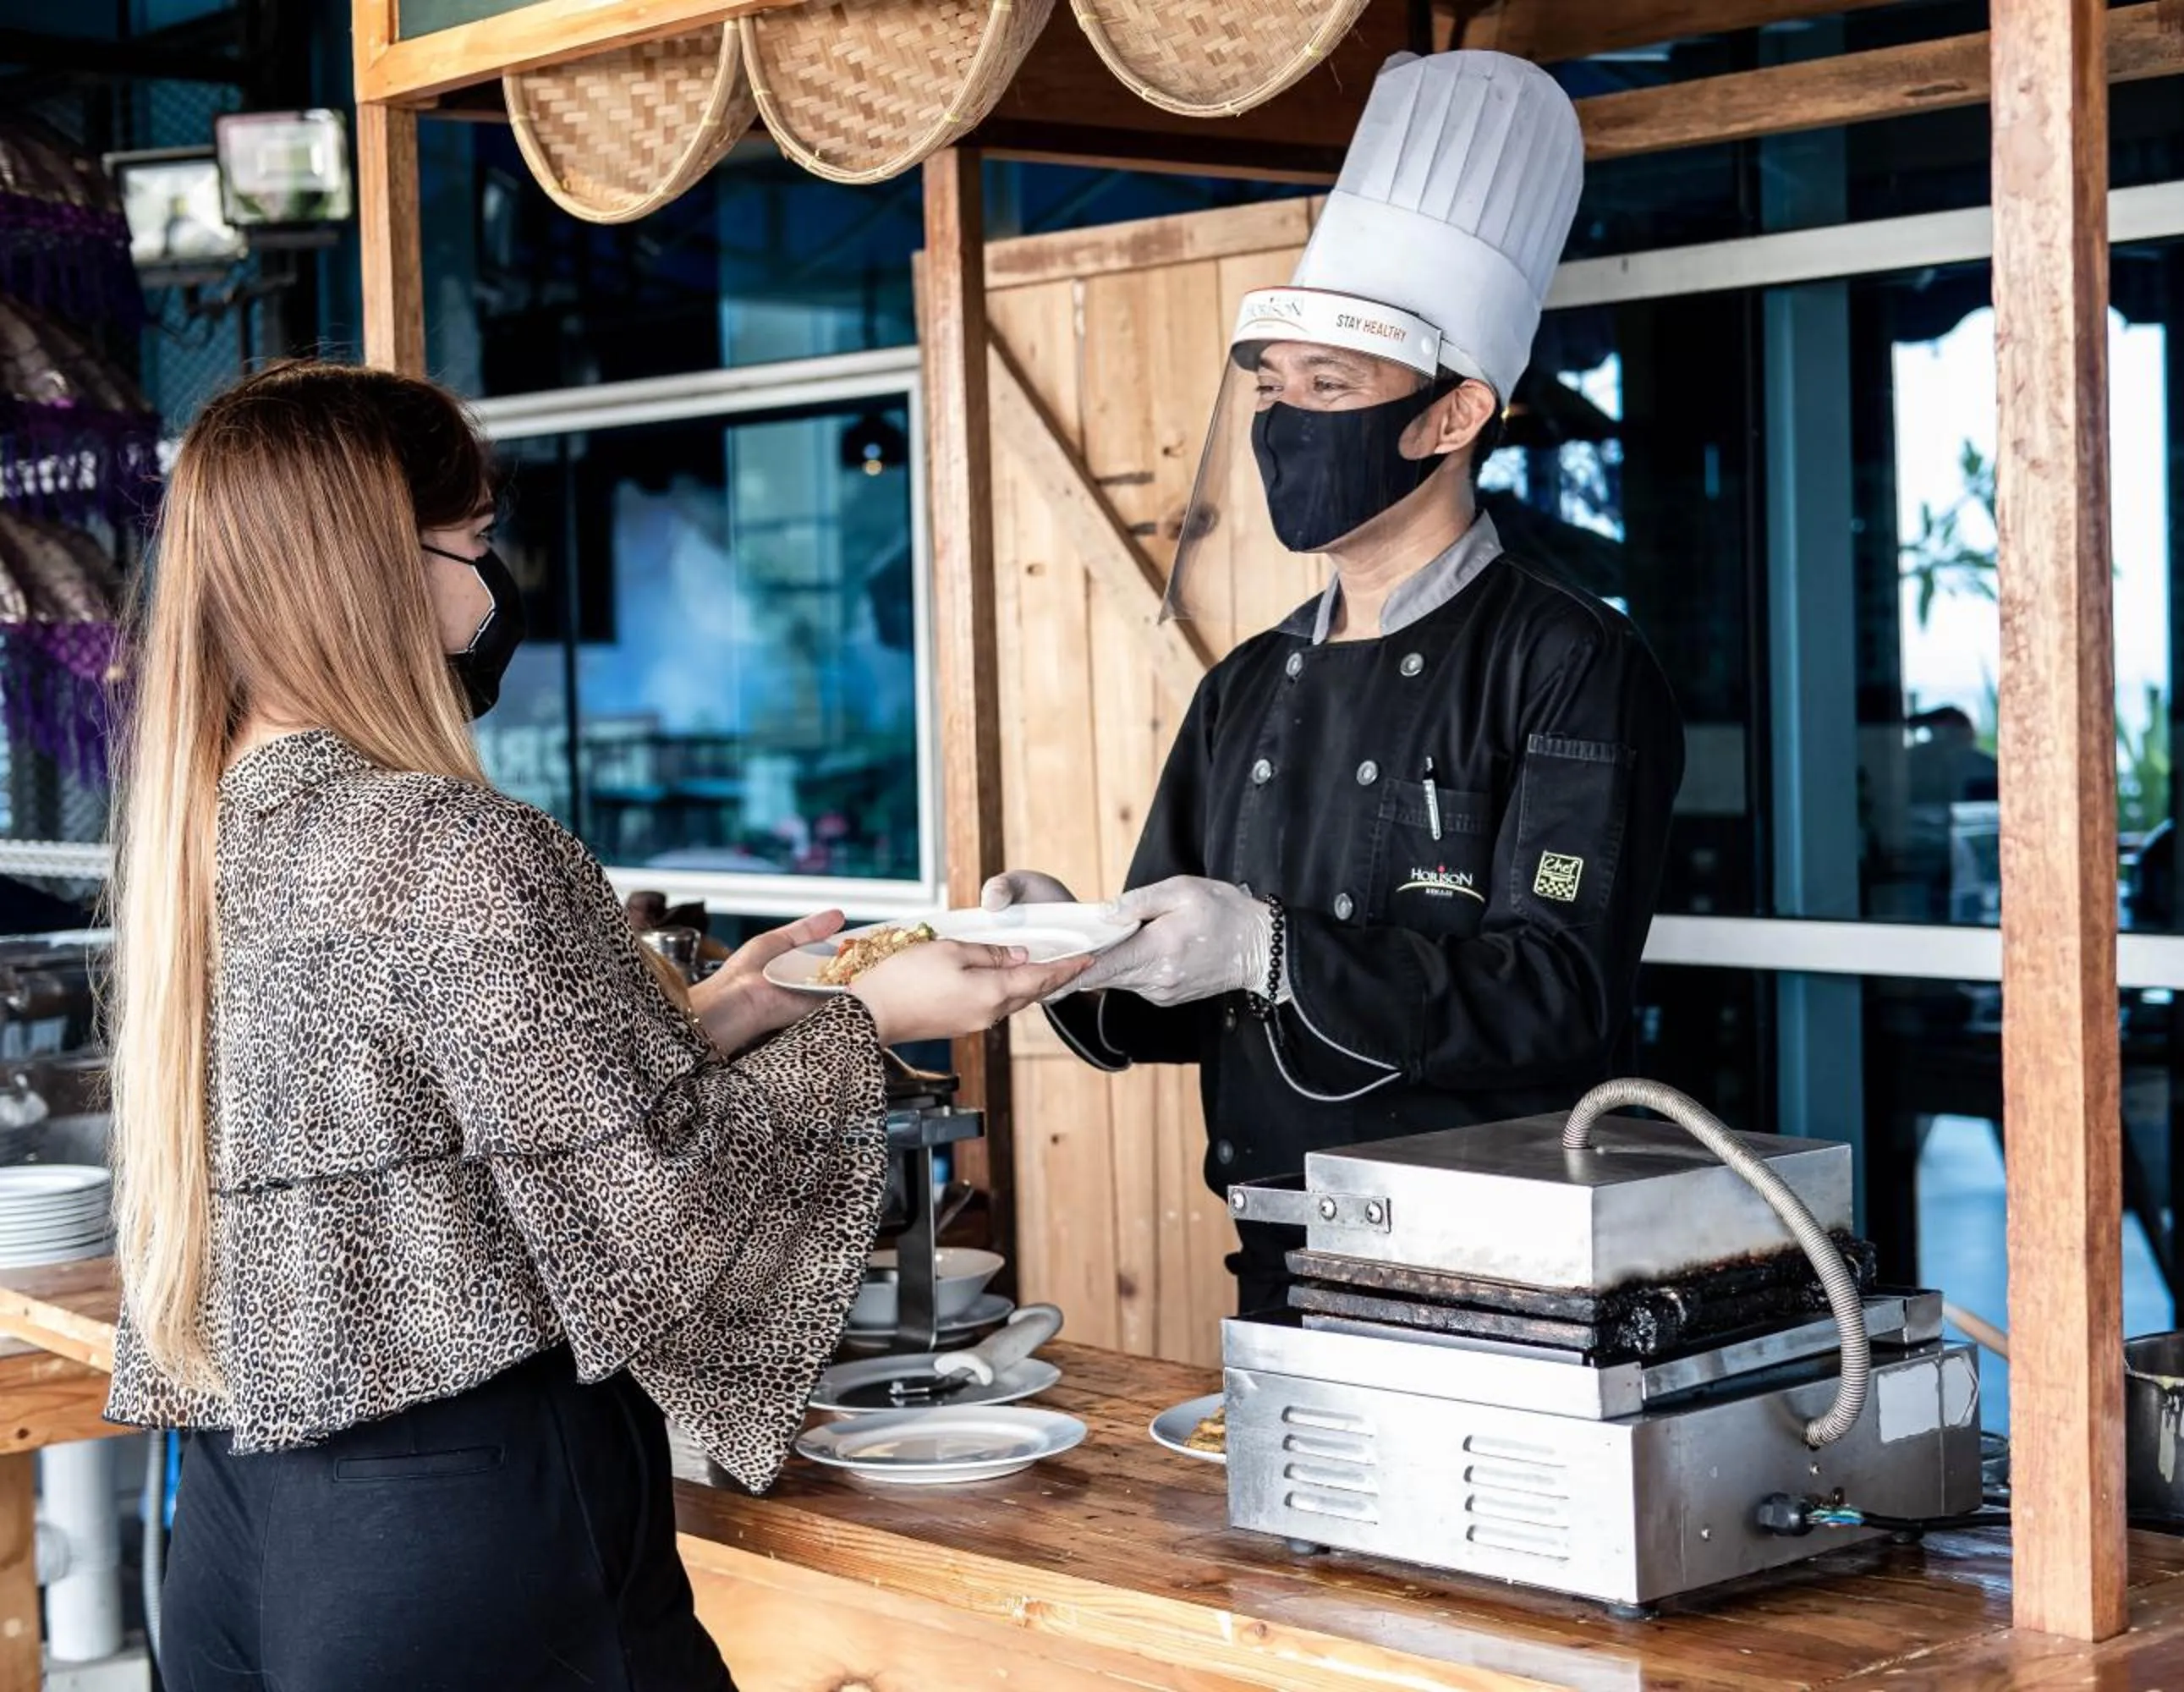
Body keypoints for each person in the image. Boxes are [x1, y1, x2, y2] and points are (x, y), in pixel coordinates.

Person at [102, 360, 1085, 1691]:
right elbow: (661, 1218)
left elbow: (473, 1106)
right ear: (379, 571)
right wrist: (869, 1021)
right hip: (479, 1522)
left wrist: (742, 1003)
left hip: (241, 1523)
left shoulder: (207, 831)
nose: (495, 586)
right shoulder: (455, 845)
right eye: (480, 541)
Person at [988, 52, 1682, 1314]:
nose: (1286, 424)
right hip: (1273, 1252)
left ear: (1453, 414)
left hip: (1495, 1269)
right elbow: (1179, 1000)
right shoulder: (1243, 685)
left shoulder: (1571, 663)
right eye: (1271, 389)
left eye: (1330, 388)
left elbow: (1561, 996)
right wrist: (1071, 951)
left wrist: (1268, 946)